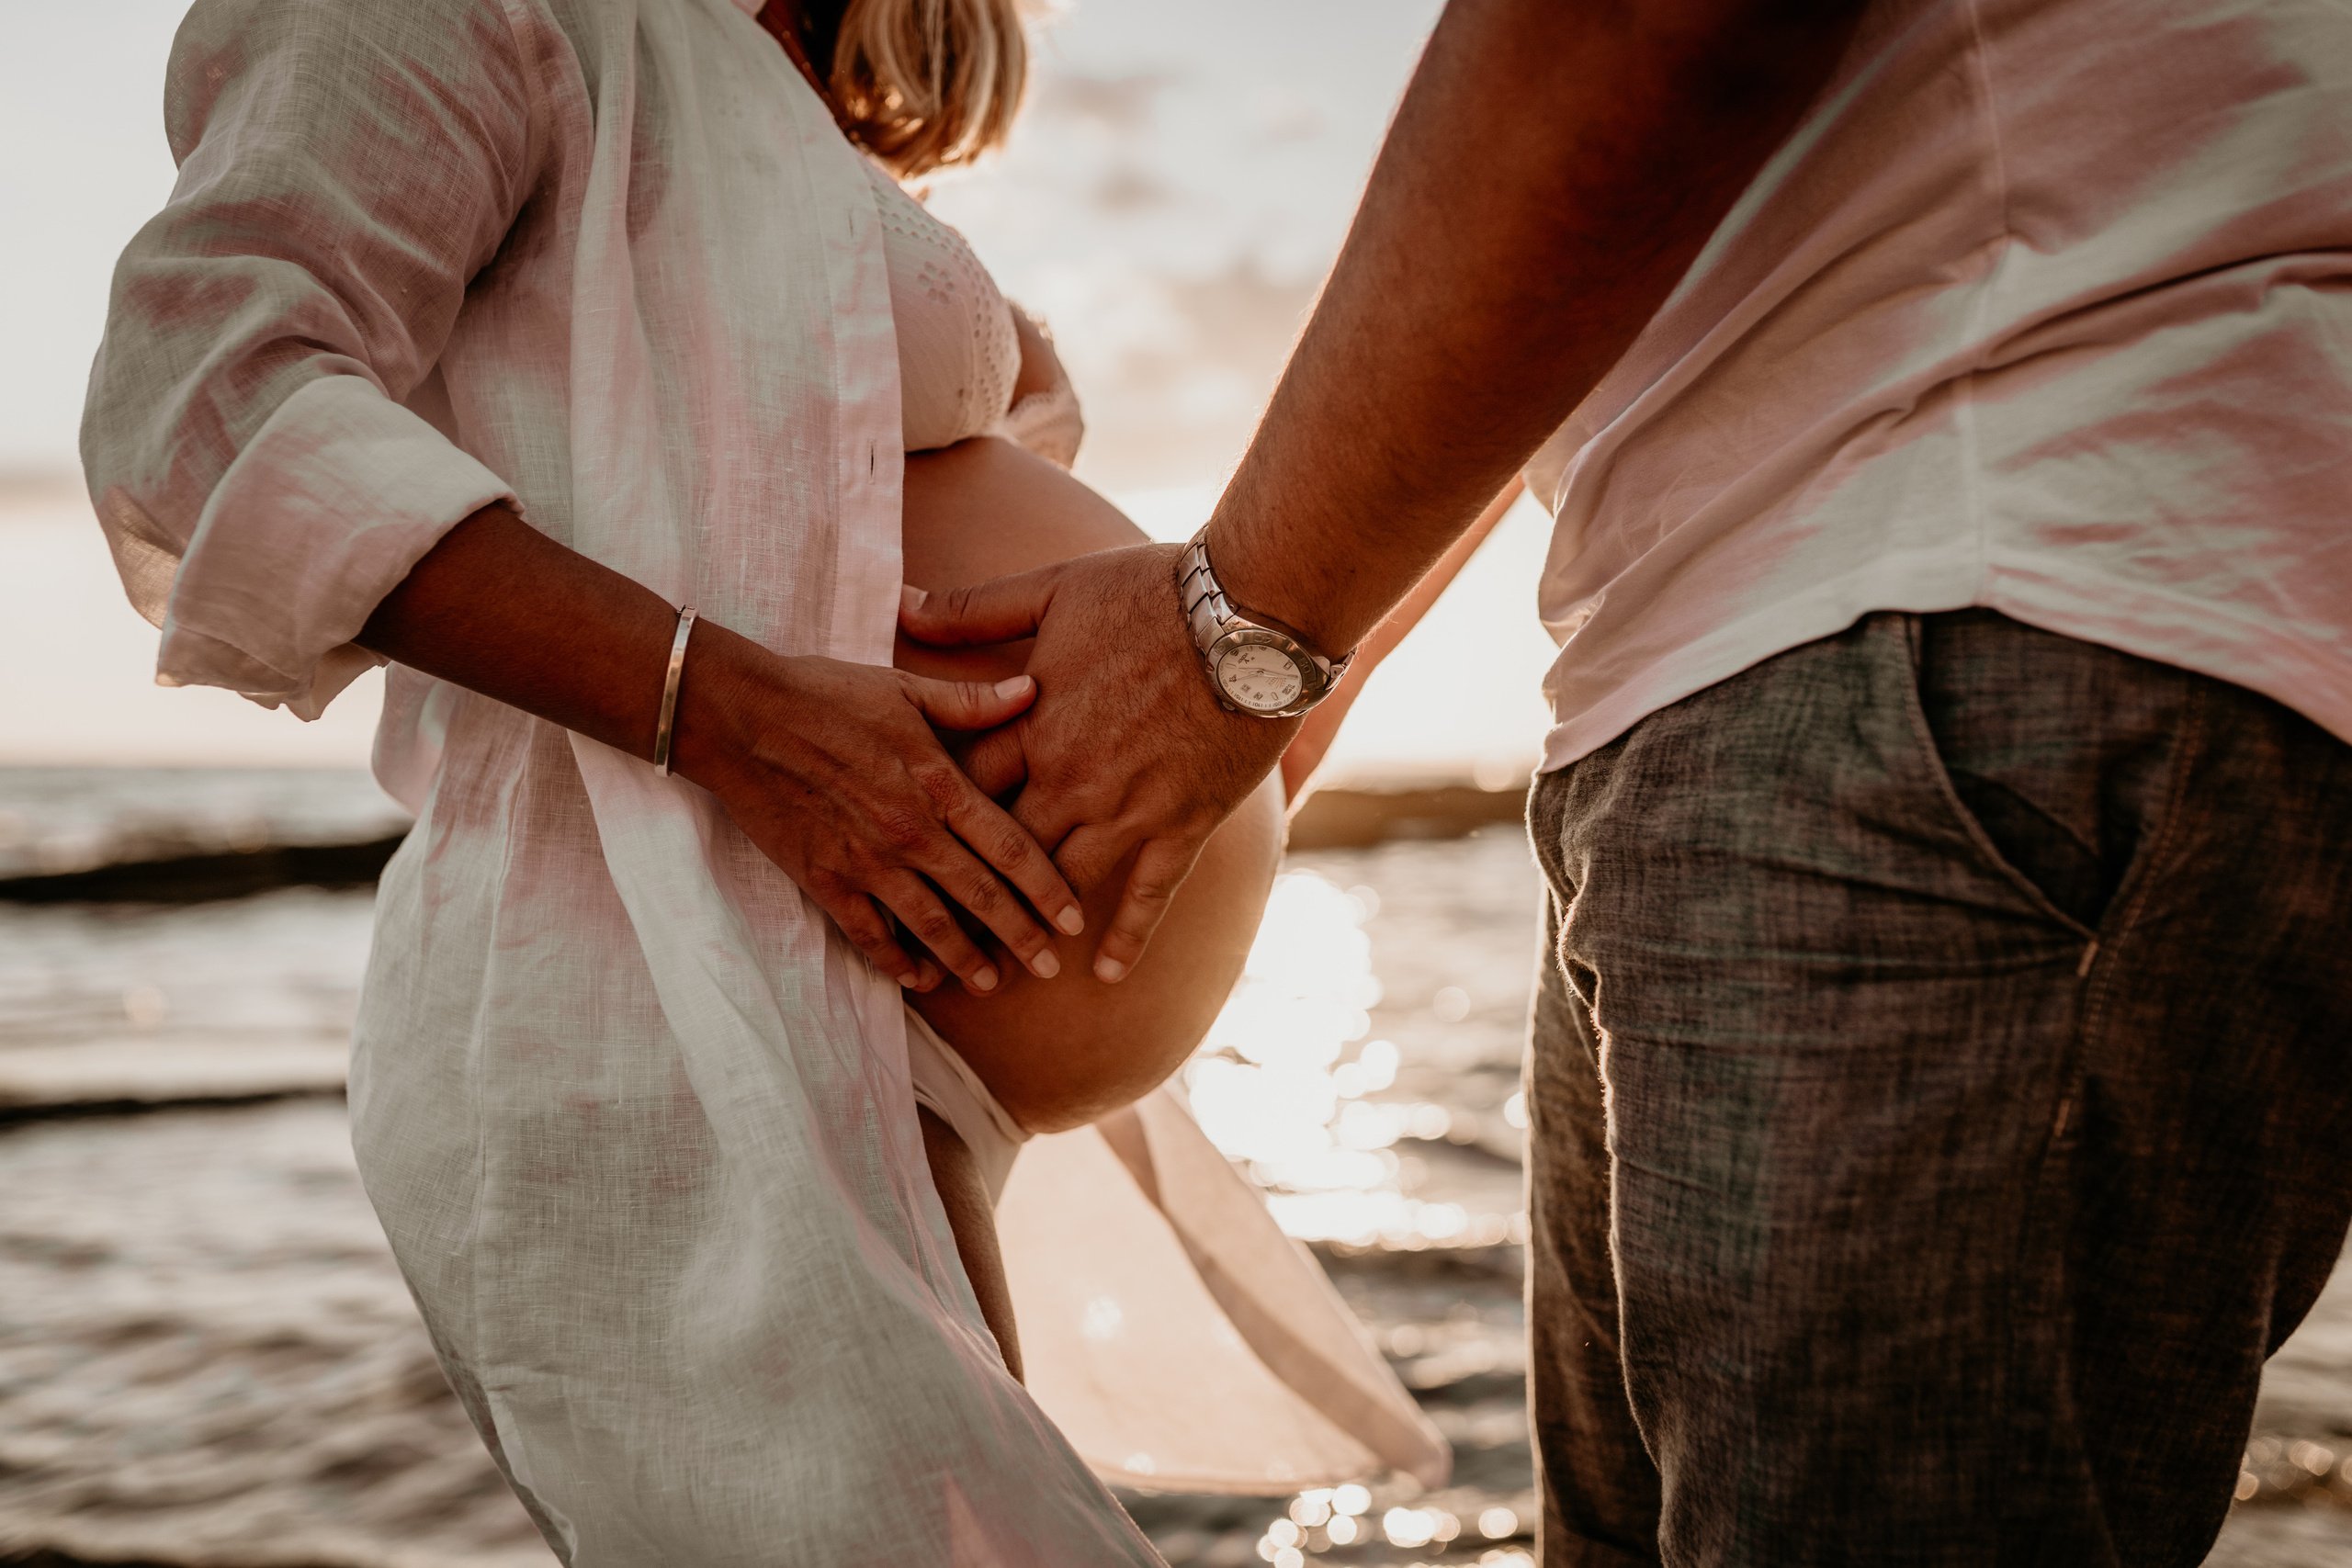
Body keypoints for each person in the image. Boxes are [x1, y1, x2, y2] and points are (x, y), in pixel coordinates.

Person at [899, 0, 2352, 1562]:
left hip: (1956, 622)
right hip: (1771, 671)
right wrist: (1305, 661)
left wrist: (1235, 629)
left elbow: (1649, 30)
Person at [80, 0, 1453, 1558]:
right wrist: (728, 712)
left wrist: (1238, 719)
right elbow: (204, 402)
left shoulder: (781, 88)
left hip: (881, 1064)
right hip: (667, 1016)